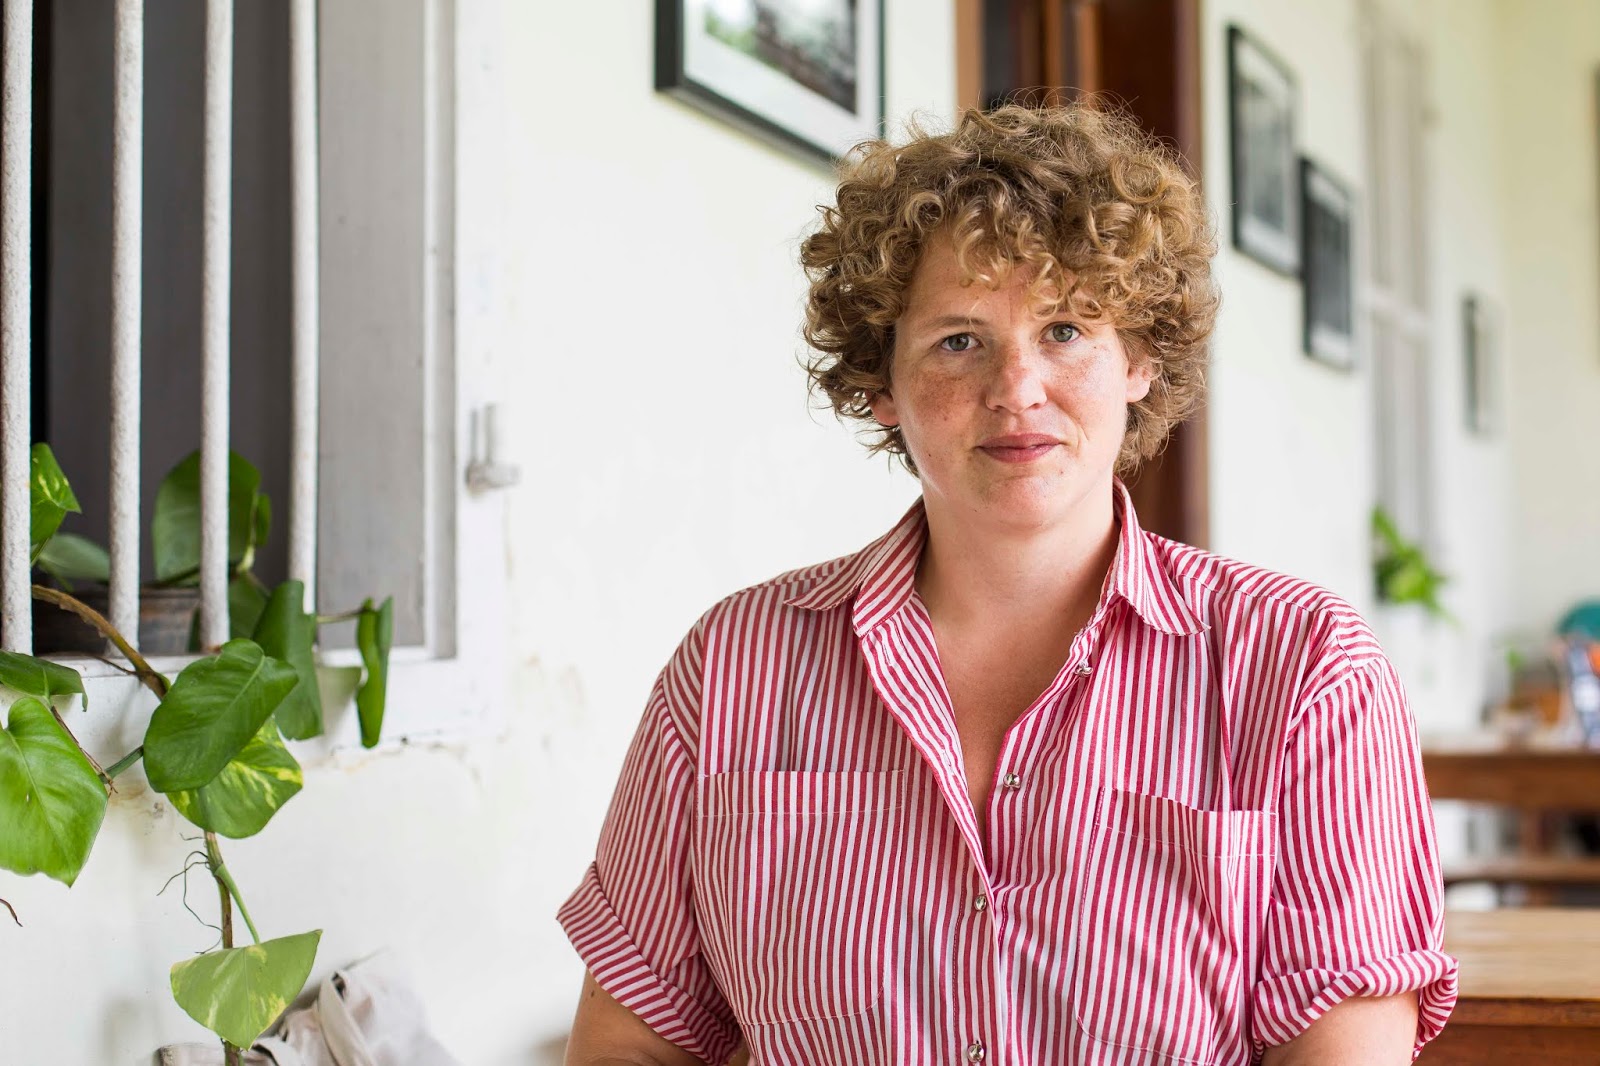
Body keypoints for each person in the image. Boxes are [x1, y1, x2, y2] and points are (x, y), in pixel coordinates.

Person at [559, 104, 1458, 1065]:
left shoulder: (1305, 665)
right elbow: (630, 1045)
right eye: (959, 340)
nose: (1017, 388)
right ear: (881, 381)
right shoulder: (733, 668)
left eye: (1065, 329)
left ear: (1138, 359)